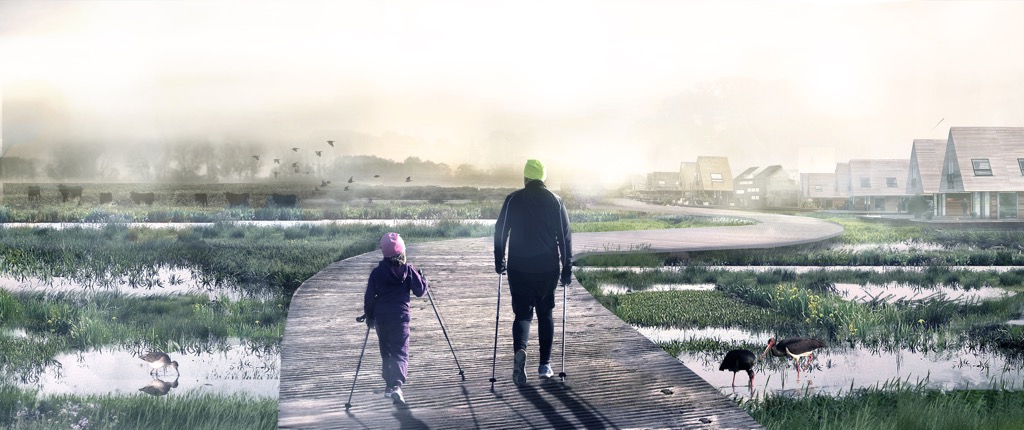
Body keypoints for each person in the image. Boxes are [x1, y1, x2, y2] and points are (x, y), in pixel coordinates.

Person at [494, 159, 573, 387]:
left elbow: (500, 232)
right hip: (547, 268)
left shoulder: (512, 200)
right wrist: (566, 268)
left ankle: (521, 350)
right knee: (545, 313)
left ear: (525, 178)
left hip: (518, 267)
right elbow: (565, 238)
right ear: (544, 178)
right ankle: (545, 366)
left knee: (522, 314)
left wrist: (499, 259)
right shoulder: (556, 202)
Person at [363, 232, 429, 405]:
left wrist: (369, 316)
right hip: (400, 317)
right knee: (400, 351)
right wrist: (423, 278)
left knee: (386, 350)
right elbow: (420, 291)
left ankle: (388, 386)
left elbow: (369, 298)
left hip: (381, 318)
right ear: (402, 252)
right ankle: (397, 387)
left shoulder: (376, 273)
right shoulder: (408, 270)